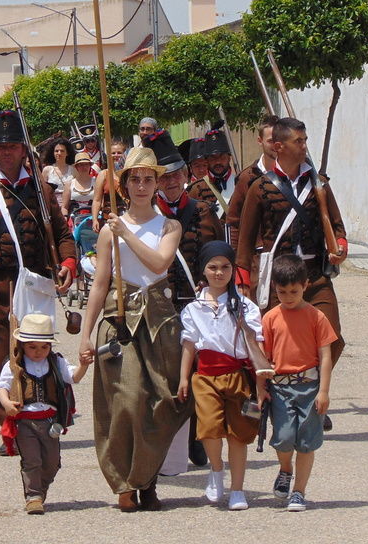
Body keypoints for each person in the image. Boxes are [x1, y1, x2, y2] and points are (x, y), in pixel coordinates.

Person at [78, 146, 190, 512]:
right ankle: (125, 481)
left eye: (148, 179)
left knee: (160, 403)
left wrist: (127, 233)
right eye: (135, 179)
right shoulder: (110, 231)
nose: (142, 186)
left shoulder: (169, 226)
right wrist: (84, 334)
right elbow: (99, 283)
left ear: (157, 183)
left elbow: (159, 263)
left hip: (158, 318)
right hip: (118, 319)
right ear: (124, 185)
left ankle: (148, 480)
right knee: (126, 402)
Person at [0, 110, 76, 439]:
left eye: (14, 146)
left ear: (24, 150)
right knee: (5, 360)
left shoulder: (42, 192)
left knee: (42, 356)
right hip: (2, 291)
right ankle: (10, 428)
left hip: (38, 286)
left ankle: (43, 418)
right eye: (1, 147)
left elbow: (64, 235)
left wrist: (68, 263)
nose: (7, 152)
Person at [235, 117, 348, 368]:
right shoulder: (259, 187)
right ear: (279, 146)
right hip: (278, 277)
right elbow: (244, 240)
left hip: (315, 275)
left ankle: (312, 391)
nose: (304, 146)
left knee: (332, 338)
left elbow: (338, 227)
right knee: (275, 345)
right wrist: (243, 281)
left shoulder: (319, 183)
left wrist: (340, 248)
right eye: (298, 141)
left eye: (305, 140)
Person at [145, 128, 223, 468]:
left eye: (177, 174)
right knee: (162, 376)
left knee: (197, 374)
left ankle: (196, 438)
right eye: (165, 177)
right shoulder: (147, 217)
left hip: (195, 303)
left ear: (186, 175)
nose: (172, 182)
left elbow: (217, 260)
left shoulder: (203, 211)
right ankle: (166, 443)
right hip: (159, 306)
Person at [177, 241, 263, 511]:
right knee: (209, 429)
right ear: (203, 270)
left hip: (237, 374)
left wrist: (261, 385)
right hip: (205, 375)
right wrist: (183, 378)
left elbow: (256, 345)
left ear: (233, 269)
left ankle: (238, 490)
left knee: (239, 434)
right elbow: (189, 345)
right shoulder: (193, 309)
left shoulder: (246, 306)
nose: (219, 273)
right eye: (212, 267)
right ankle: (216, 469)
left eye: (225, 267)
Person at [257, 254, 337, 512]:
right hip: (279, 387)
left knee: (306, 441)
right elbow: (263, 357)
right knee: (283, 437)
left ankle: (299, 492)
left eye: (294, 291)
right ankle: (285, 469)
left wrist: (323, 391)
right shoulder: (270, 317)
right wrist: (261, 387)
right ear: (274, 289)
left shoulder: (316, 317)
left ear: (305, 285)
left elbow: (325, 356)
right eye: (282, 292)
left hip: (310, 387)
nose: (288, 297)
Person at [0, 314, 89, 515]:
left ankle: (40, 490)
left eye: (44, 347)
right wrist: (6, 403)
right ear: (22, 345)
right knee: (32, 461)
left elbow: (73, 376)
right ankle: (33, 496)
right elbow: (1, 386)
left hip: (50, 422)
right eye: (32, 347)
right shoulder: (15, 364)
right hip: (25, 422)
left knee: (52, 463)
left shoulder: (56, 362)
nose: (38, 352)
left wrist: (84, 364)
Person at [227, 114, 279, 253]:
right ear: (260, 141)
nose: (276, 145)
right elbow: (233, 221)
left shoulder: (296, 175)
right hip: (258, 257)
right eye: (271, 141)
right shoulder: (246, 178)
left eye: (280, 140)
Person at [187, 124, 237, 226]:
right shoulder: (195, 189)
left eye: (222, 157)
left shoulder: (240, 183)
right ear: (207, 160)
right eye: (213, 158)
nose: (218, 161)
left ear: (229, 158)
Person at [91, 140, 127, 234]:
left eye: (119, 153)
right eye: (113, 153)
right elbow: (97, 200)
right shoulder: (103, 174)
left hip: (127, 218)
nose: (116, 155)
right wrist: (95, 219)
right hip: (108, 219)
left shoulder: (129, 174)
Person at [61, 152, 95, 222]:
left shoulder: (96, 182)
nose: (84, 167)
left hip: (93, 218)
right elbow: (64, 207)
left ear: (90, 166)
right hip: (75, 219)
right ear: (76, 167)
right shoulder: (69, 184)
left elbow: (101, 203)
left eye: (86, 164)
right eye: (81, 165)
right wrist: (65, 218)